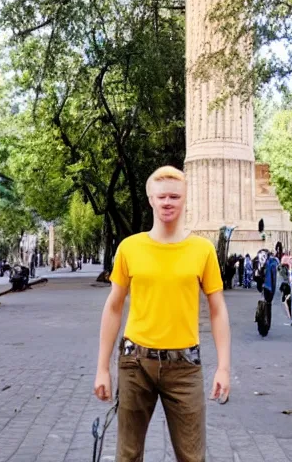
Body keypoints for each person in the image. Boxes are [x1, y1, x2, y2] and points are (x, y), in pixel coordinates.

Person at [94, 166, 231, 462]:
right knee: (128, 455)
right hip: (135, 364)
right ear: (150, 200)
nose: (168, 202)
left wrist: (223, 366)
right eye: (162, 197)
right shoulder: (130, 248)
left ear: (184, 200)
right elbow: (114, 306)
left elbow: (217, 309)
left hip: (185, 367)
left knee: (192, 457)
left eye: (174, 196)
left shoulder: (202, 250)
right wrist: (102, 367)